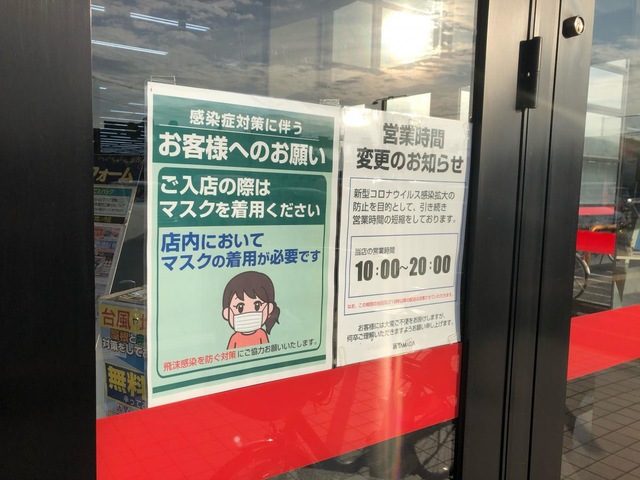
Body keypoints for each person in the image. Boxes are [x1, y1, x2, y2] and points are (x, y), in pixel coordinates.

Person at [222, 271, 280, 349]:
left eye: (257, 306)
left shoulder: (261, 334)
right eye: (240, 308)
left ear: (269, 308)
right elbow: (230, 353)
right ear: (227, 313)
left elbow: (266, 350)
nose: (248, 313)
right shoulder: (235, 338)